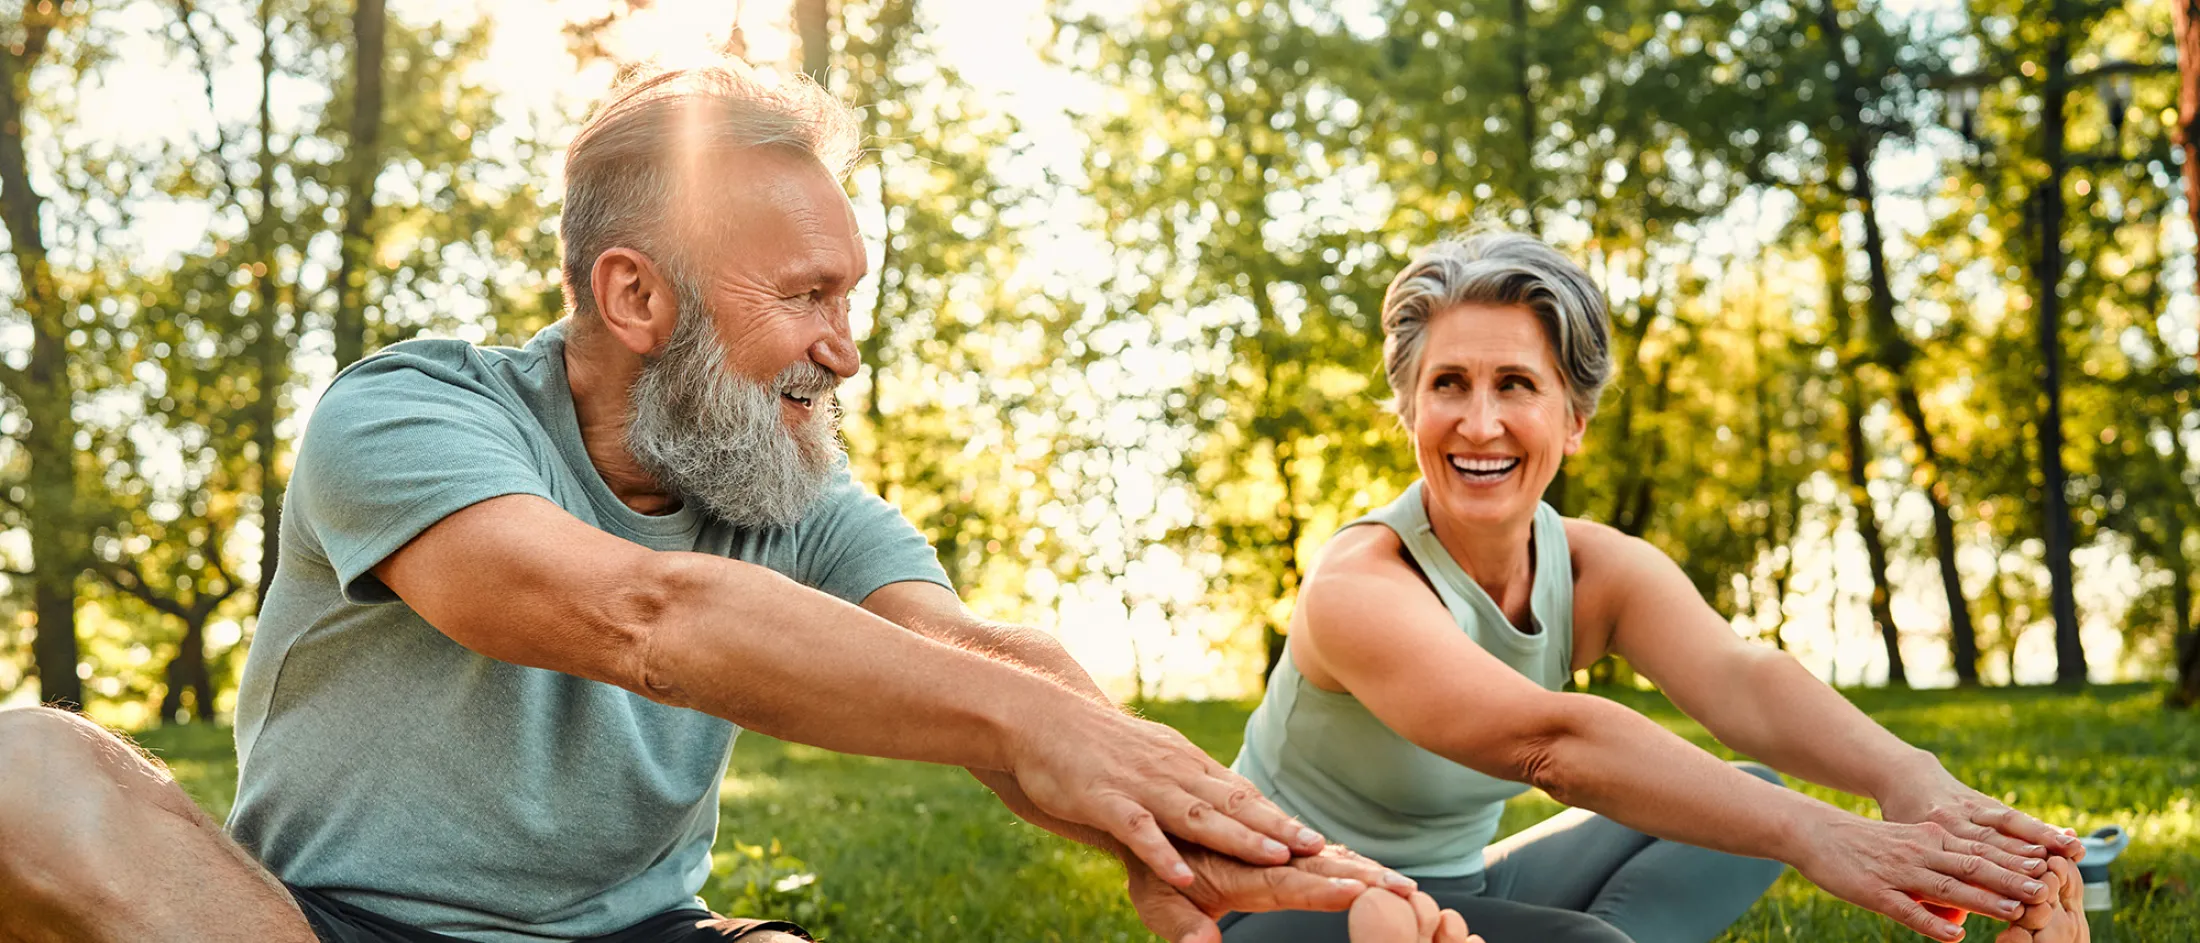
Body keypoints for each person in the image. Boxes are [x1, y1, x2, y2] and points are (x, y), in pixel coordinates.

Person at [0, 63, 1433, 943]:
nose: (844, 345)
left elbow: (982, 658)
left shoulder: (790, 479)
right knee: (25, 766)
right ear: (634, 294)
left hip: (647, 935)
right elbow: (634, 612)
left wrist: (1254, 845)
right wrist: (1027, 724)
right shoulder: (412, 413)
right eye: (805, 295)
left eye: (848, 294)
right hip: (327, 928)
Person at [1220, 233, 2090, 943]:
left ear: (1574, 419)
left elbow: (1743, 680)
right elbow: (1551, 742)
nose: (1478, 422)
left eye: (1516, 384)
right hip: (1281, 903)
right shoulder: (1359, 585)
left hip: (1455, 883)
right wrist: (1829, 837)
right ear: (1410, 408)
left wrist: (1910, 779)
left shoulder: (1594, 567)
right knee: (1631, 916)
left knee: (1753, 796)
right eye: (1448, 384)